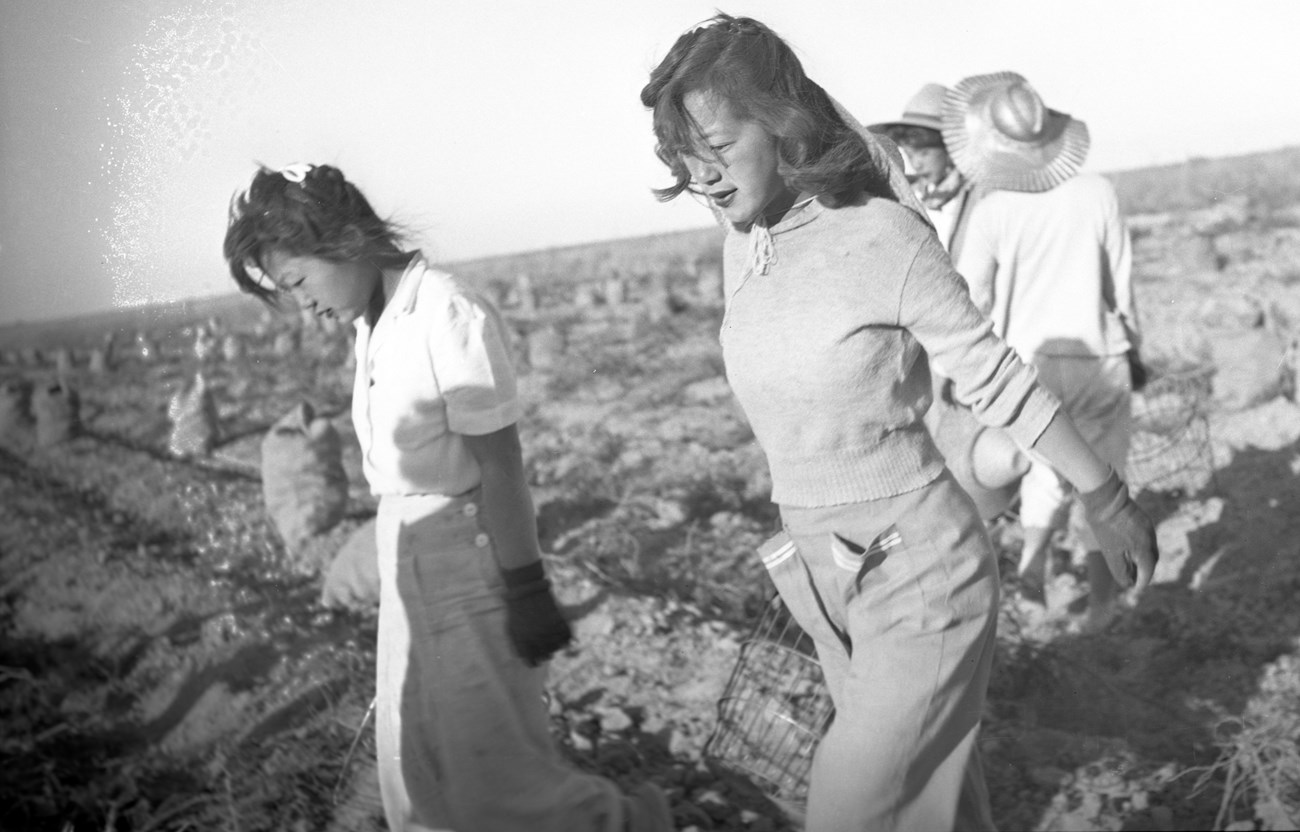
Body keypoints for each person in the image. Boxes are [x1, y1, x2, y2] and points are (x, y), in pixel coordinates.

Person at [641, 15, 1157, 831]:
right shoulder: (745, 241)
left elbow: (993, 376)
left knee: (849, 812)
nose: (701, 175)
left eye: (716, 145)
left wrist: (1105, 495)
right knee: (934, 816)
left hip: (919, 575)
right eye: (681, 155)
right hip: (828, 579)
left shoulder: (883, 236)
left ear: (781, 124)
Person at [222, 163, 672, 832]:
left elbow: (501, 465)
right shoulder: (372, 323)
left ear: (343, 239)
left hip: (467, 562)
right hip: (411, 564)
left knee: (498, 788)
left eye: (297, 281)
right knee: (418, 772)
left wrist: (525, 586)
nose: (303, 304)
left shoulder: (445, 312)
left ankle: (635, 824)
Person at [943, 71, 1147, 631]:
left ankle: (1030, 577)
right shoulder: (1097, 192)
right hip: (1099, 360)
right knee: (1103, 483)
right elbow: (1121, 287)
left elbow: (969, 302)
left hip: (1026, 369)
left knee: (1042, 472)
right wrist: (1136, 346)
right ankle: (1102, 608)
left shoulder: (993, 212)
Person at [868, 82, 981, 258]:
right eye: (910, 154)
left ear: (949, 149)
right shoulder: (909, 197)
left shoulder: (976, 196)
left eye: (925, 153)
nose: (917, 164)